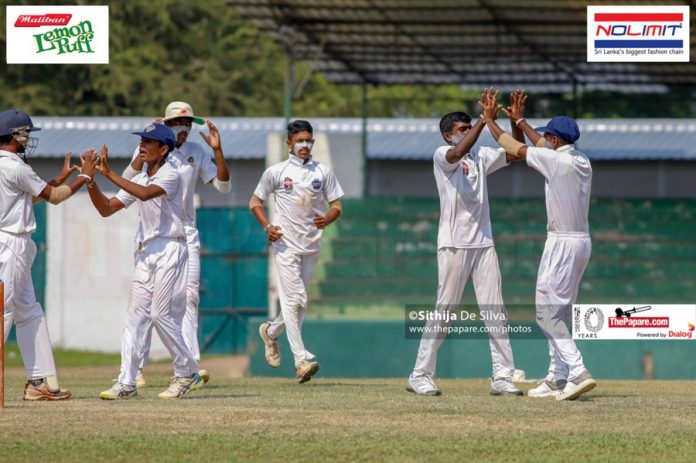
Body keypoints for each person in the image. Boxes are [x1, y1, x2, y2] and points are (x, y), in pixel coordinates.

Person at [481, 89, 597, 401]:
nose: (544, 140)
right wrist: (520, 120)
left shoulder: (554, 161)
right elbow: (542, 145)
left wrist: (489, 121)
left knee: (547, 314)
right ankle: (557, 377)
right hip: (581, 243)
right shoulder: (580, 160)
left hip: (561, 245)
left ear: (556, 141)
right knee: (559, 310)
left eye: (549, 136)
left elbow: (510, 145)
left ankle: (578, 371)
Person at [407, 89, 523, 397]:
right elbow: (458, 152)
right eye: (462, 129)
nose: (468, 132)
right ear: (448, 135)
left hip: (484, 244)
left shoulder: (481, 157)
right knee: (444, 310)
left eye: (469, 126)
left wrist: (515, 122)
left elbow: (515, 152)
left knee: (496, 311)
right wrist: (485, 122)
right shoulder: (443, 155)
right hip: (454, 244)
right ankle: (419, 375)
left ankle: (501, 376)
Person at [88, 124, 203, 400]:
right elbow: (107, 209)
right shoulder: (139, 177)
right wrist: (90, 180)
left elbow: (146, 194)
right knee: (135, 318)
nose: (142, 145)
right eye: (141, 139)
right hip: (146, 251)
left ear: (163, 149)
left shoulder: (171, 174)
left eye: (149, 141)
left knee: (160, 315)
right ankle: (126, 382)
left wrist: (109, 173)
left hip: (171, 247)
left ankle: (187, 372)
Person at [123, 101, 231, 387]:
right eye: (176, 123)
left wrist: (218, 151)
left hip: (185, 234)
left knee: (188, 298)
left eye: (187, 123)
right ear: (167, 125)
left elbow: (223, 186)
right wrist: (149, 140)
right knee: (144, 306)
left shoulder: (197, 151)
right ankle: (136, 369)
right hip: (149, 236)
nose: (182, 128)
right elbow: (127, 181)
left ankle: (188, 365)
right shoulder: (151, 147)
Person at [0, 108, 96, 401]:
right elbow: (53, 198)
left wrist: (61, 177)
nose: (28, 137)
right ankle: (38, 381)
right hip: (11, 244)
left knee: (29, 312)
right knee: (4, 311)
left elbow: (33, 198)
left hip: (12, 242)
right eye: (25, 132)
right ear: (14, 135)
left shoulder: (8, 166)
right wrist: (86, 178)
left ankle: (39, 381)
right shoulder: (15, 166)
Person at [250, 120, 344, 383]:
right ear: (289, 143)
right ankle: (301, 361)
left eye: (308, 140)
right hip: (285, 244)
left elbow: (337, 205)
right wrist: (267, 226)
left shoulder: (322, 172)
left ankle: (270, 332)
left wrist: (328, 218)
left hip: (312, 245)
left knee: (300, 304)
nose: (304, 145)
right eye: (299, 140)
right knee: (294, 301)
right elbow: (255, 201)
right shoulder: (277, 172)